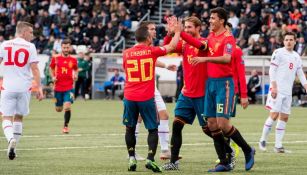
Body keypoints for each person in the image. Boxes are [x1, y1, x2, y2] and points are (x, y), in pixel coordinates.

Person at [191, 7, 255, 172]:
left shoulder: (229, 38)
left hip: (225, 85)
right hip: (210, 84)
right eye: (210, 18)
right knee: (212, 124)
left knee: (223, 124)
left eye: (213, 18)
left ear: (221, 20)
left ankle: (248, 150)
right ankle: (223, 162)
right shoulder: (211, 35)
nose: (210, 21)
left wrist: (244, 95)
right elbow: (200, 44)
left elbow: (227, 59)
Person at [123, 20, 181, 172]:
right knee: (153, 129)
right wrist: (178, 32)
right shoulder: (152, 51)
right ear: (148, 38)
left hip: (129, 96)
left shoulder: (126, 53)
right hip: (146, 96)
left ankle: (131, 158)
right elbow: (172, 47)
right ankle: (150, 159)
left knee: (129, 127)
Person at [162, 16, 211, 170]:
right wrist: (171, 33)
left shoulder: (206, 42)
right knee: (177, 125)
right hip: (187, 93)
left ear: (198, 28)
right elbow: (166, 47)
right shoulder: (183, 44)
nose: (187, 29)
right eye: (186, 27)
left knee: (209, 130)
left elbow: (198, 45)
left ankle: (230, 144)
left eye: (190, 27)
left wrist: (180, 32)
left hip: (203, 94)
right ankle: (174, 162)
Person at [0, 21, 43, 160]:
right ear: (23, 32)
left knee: (6, 117)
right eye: (30, 32)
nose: (32, 35)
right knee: (19, 117)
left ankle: (10, 139)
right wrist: (39, 87)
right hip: (24, 87)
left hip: (8, 86)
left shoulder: (5, 44)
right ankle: (13, 148)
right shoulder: (30, 46)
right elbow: (35, 69)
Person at [259, 32, 307, 153]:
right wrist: (274, 87)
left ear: (295, 42)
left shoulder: (296, 56)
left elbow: (300, 73)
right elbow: (272, 70)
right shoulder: (278, 52)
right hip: (277, 89)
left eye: (291, 39)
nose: (289, 42)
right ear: (283, 41)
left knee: (284, 117)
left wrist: (306, 86)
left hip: (287, 92)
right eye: (286, 40)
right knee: (274, 115)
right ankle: (262, 140)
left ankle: (278, 146)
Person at [49, 39, 78, 134]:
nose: (66, 49)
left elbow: (76, 69)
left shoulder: (73, 60)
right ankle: (57, 104)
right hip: (58, 87)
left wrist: (76, 75)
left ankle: (65, 126)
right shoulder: (55, 58)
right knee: (59, 109)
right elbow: (51, 68)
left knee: (67, 107)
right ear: (61, 47)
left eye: (67, 47)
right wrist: (53, 77)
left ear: (70, 48)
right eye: (64, 47)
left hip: (69, 87)